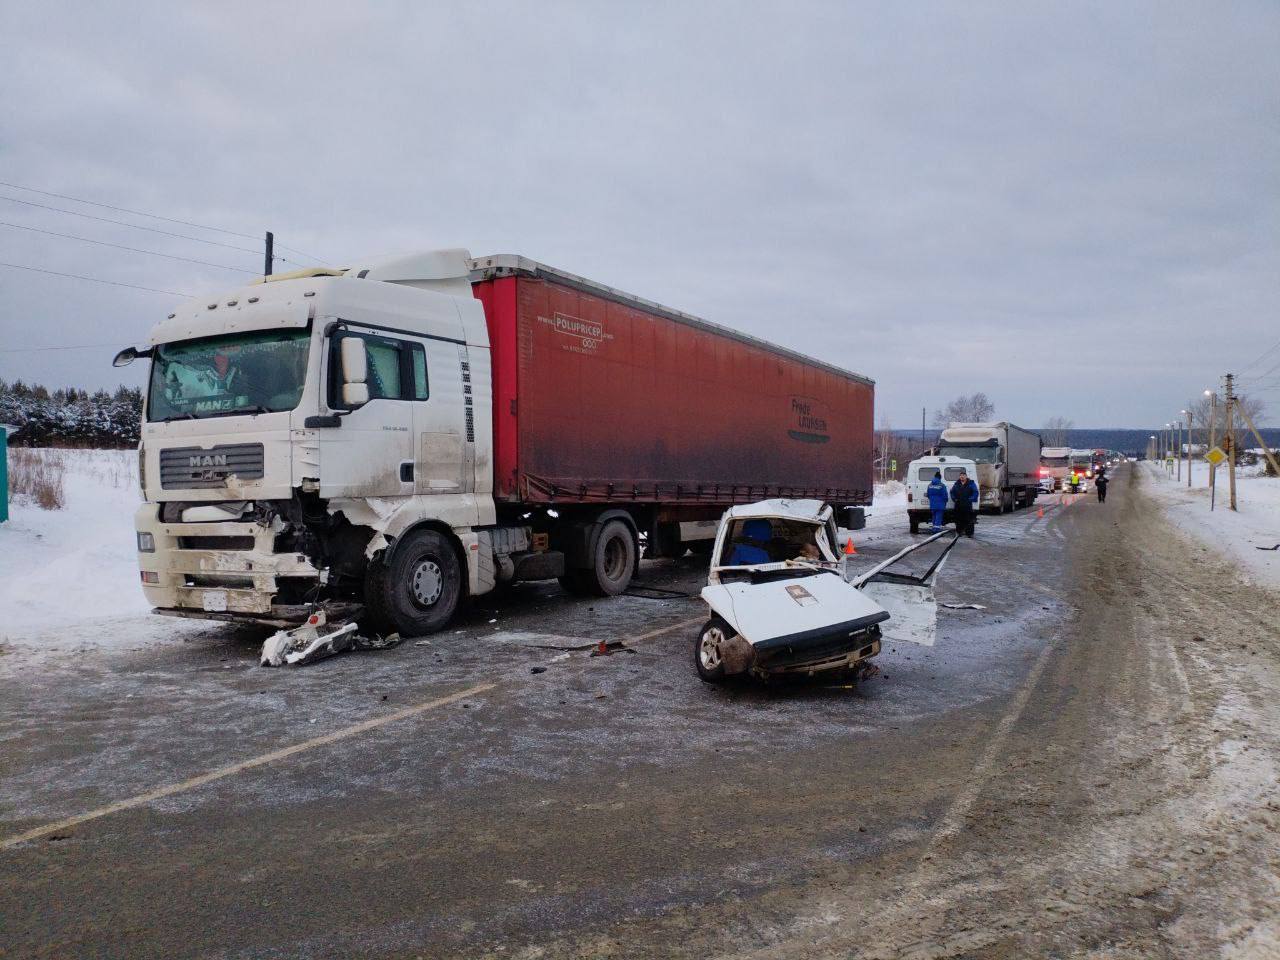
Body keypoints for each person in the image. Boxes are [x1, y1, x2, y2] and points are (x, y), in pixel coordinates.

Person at [950, 470, 979, 538]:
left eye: (963, 476)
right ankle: (959, 532)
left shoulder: (971, 483)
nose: (962, 477)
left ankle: (969, 533)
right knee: (958, 519)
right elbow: (952, 492)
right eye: (961, 476)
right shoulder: (956, 484)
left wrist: (971, 499)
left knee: (968, 519)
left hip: (967, 504)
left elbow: (975, 492)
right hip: (958, 504)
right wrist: (954, 499)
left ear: (966, 476)